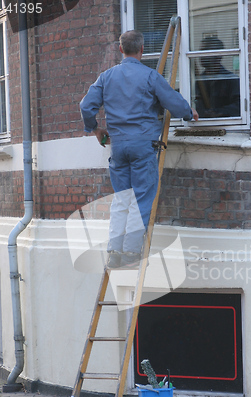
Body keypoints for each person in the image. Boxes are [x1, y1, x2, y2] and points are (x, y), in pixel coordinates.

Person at [80, 30, 199, 269]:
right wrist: (190, 113)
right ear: (142, 50)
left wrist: (95, 129)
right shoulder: (150, 76)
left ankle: (114, 250)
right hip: (143, 146)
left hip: (119, 146)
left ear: (120, 49)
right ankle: (132, 251)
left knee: (122, 200)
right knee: (142, 198)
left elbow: (86, 106)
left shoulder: (106, 77)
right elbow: (173, 103)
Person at [195, 37, 240, 118]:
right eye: (200, 52)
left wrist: (219, 112)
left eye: (205, 51)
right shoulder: (199, 81)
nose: (201, 56)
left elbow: (239, 106)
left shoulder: (231, 79)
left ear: (218, 56)